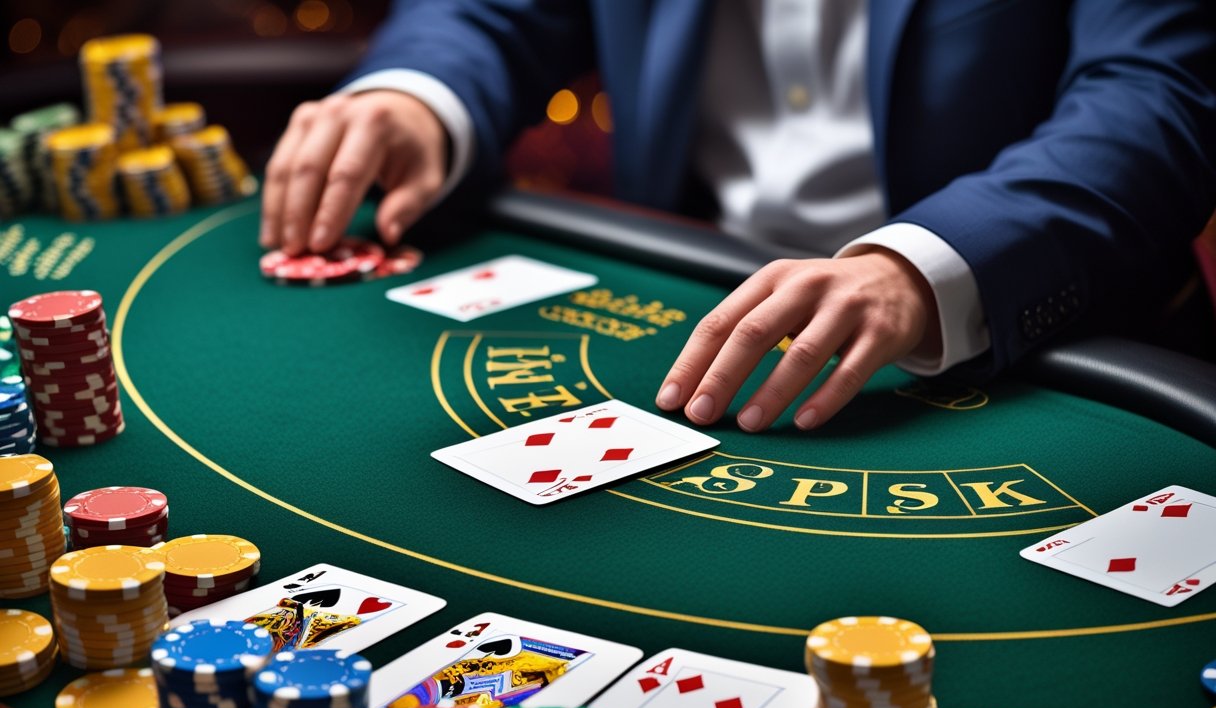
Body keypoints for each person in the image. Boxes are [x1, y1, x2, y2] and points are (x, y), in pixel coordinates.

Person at [259, 0, 1216, 432]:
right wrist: (418, 96)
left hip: (1018, 348)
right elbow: (487, 13)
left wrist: (917, 268)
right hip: (688, 302)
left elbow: (1157, 92)